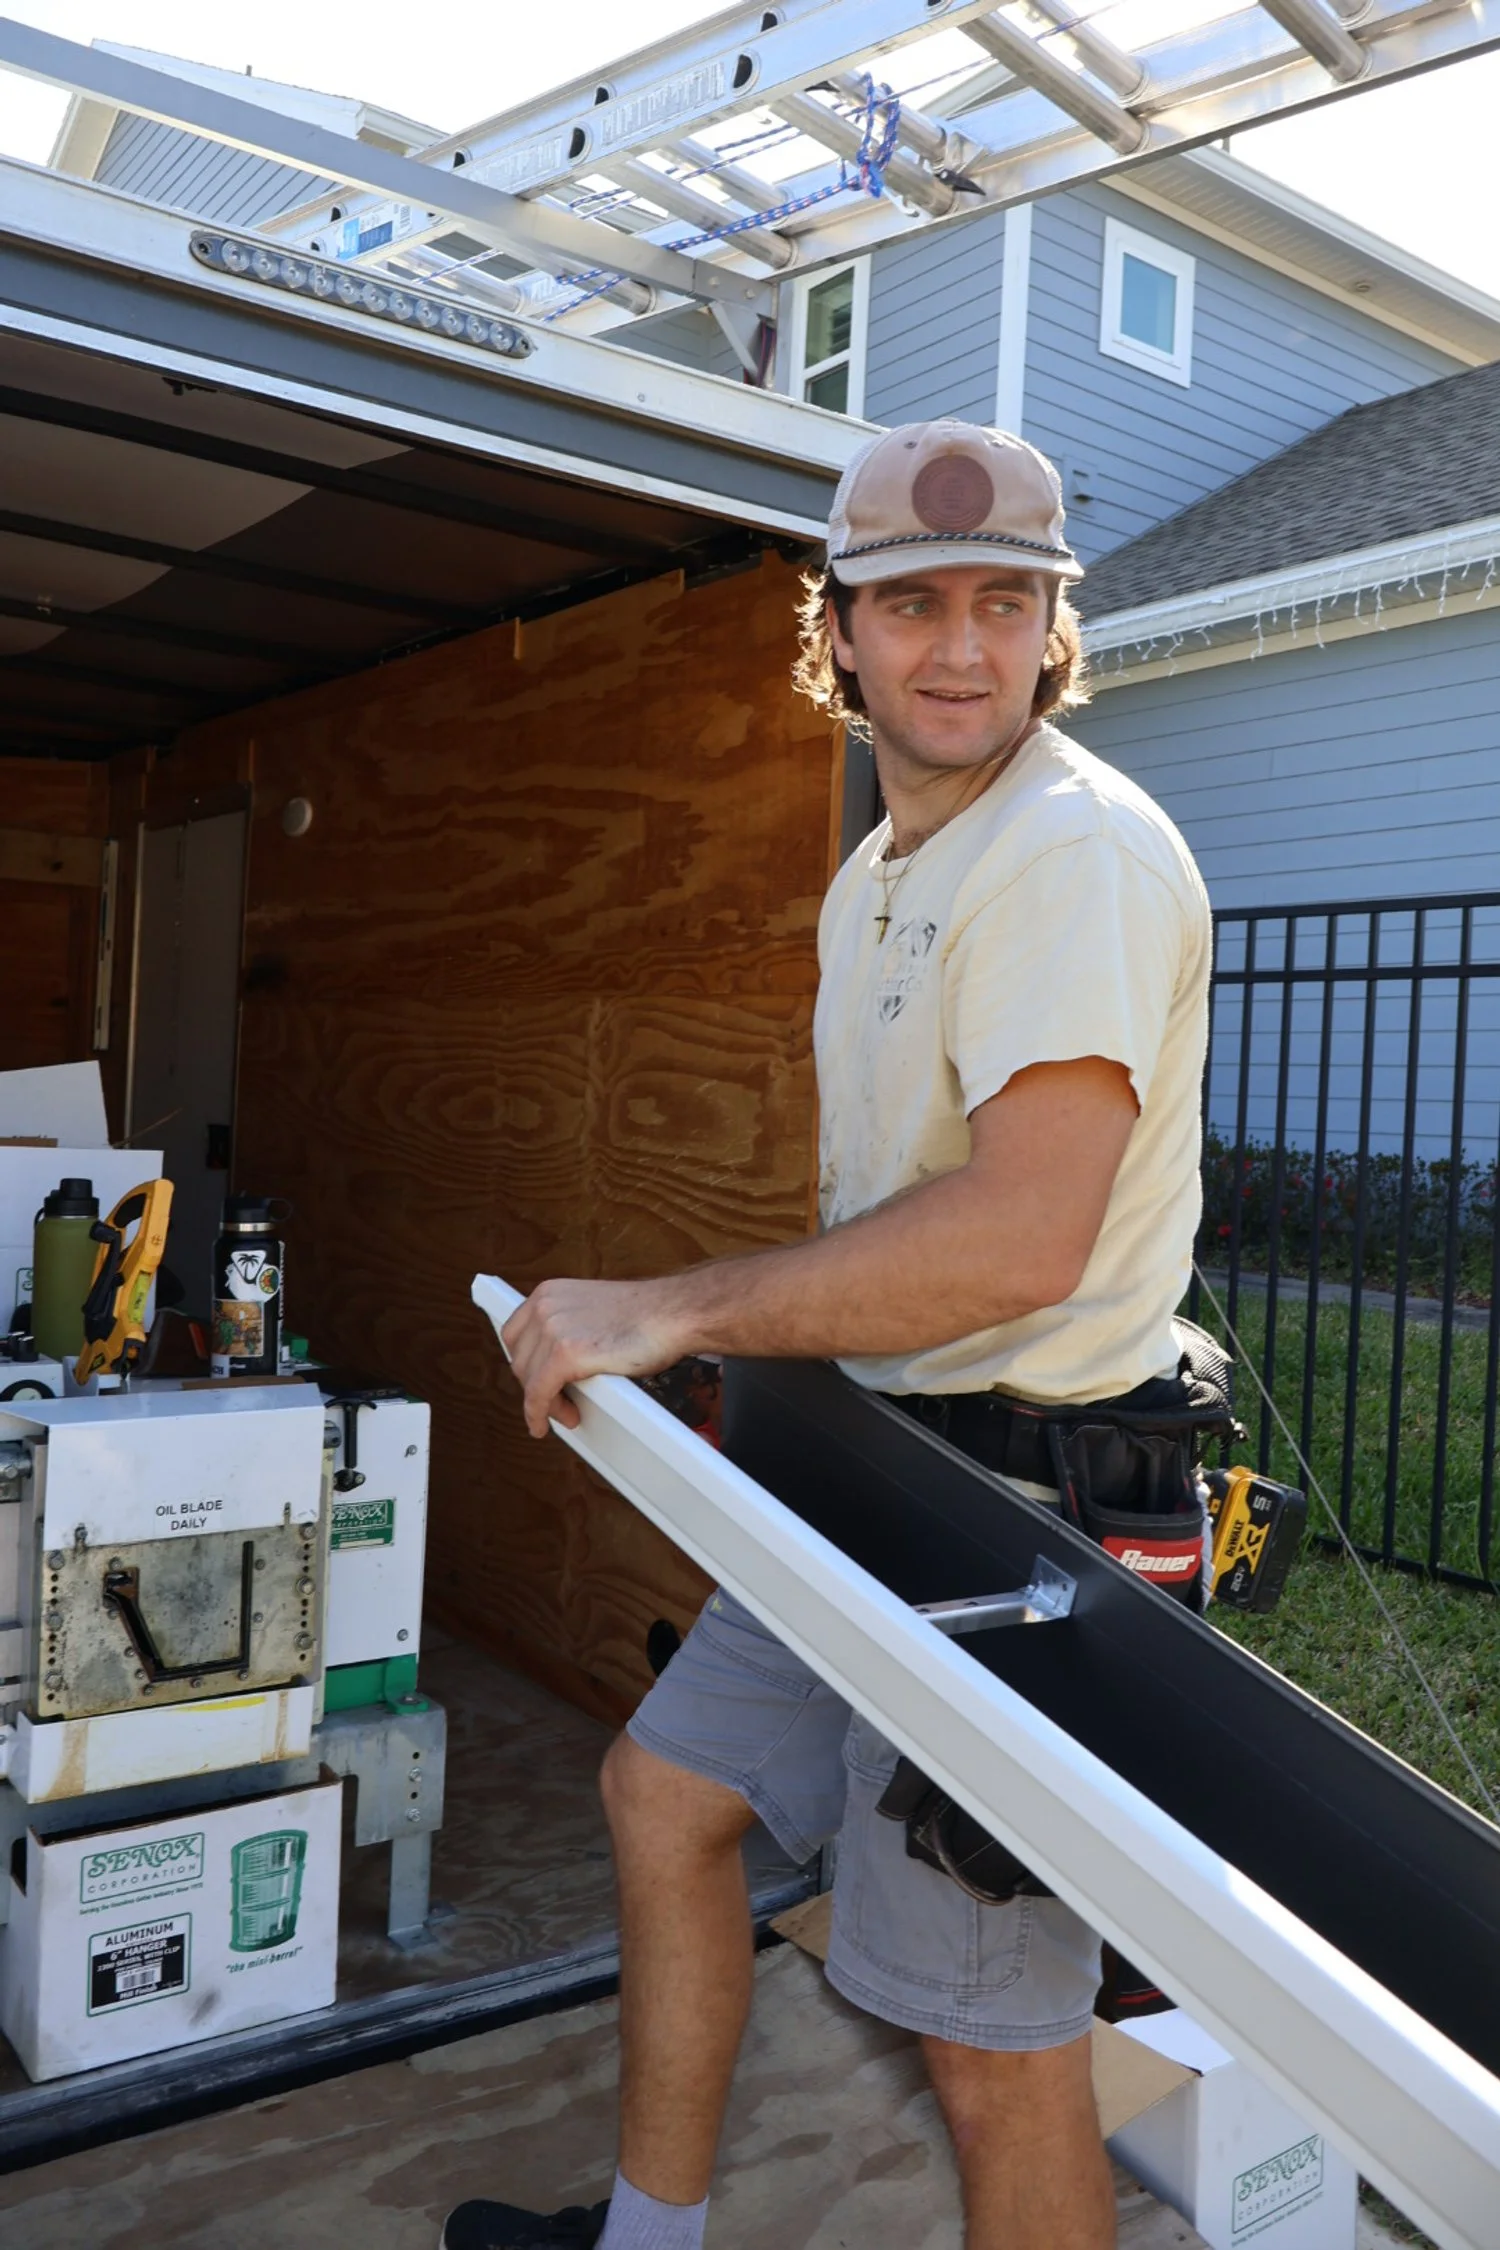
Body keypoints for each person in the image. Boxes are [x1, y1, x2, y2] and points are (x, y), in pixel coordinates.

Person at [444, 418, 1212, 2250]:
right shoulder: (877, 873)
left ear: (1053, 631)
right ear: (841, 631)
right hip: (873, 1472)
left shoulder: (1069, 854)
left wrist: (683, 1307)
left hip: (1019, 1522)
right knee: (666, 1791)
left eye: (1005, 604)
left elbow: (1026, 1235)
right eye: (915, 603)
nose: (961, 645)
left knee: (995, 2048)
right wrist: (767, 1370)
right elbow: (893, 1212)